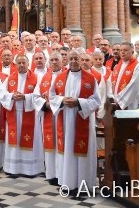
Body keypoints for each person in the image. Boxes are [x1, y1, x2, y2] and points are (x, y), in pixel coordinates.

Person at [49, 51, 101, 191]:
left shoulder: (91, 79)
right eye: (71, 58)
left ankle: (84, 185)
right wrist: (62, 100)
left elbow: (96, 100)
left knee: (82, 151)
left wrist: (78, 102)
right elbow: (52, 96)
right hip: (65, 119)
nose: (73, 61)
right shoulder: (60, 77)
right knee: (67, 150)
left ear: (81, 60)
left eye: (76, 58)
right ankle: (68, 183)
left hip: (82, 118)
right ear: (67, 60)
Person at [0, 55, 43, 176]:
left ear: (28, 64)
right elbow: (2, 93)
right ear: (16, 64)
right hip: (14, 113)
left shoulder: (36, 78)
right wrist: (12, 96)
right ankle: (12, 168)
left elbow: (39, 95)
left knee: (30, 140)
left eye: (24, 63)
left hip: (29, 114)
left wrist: (25, 97)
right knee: (14, 140)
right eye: (19, 63)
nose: (22, 65)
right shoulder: (10, 78)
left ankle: (31, 169)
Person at [33, 52, 64, 183]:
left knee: (62, 144)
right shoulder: (44, 78)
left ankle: (63, 174)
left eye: (57, 59)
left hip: (63, 116)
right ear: (49, 62)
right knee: (51, 143)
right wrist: (45, 104)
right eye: (52, 60)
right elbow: (35, 96)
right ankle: (52, 174)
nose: (54, 62)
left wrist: (57, 103)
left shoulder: (67, 76)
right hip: (48, 115)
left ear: (62, 61)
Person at [112, 42, 139, 110]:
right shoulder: (117, 66)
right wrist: (112, 97)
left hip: (130, 103)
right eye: (121, 50)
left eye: (125, 50)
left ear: (132, 52)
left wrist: (119, 100)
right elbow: (111, 82)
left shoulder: (138, 67)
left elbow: (134, 85)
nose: (122, 52)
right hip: (116, 101)